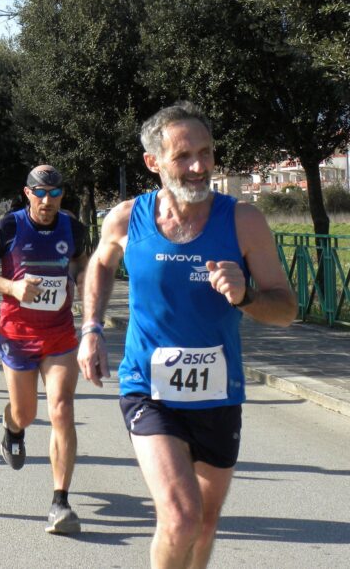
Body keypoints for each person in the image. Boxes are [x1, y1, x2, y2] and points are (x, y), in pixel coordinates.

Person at [78, 102, 296, 568]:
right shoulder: (125, 218)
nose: (199, 167)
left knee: (205, 522)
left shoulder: (243, 221)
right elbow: (99, 264)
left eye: (206, 153)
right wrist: (91, 328)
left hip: (218, 393)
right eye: (183, 156)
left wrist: (246, 297)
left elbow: (286, 310)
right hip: (147, 388)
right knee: (180, 517)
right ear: (153, 162)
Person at [0, 165, 89, 534]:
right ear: (27, 193)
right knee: (25, 412)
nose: (47, 200)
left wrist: (81, 287)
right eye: (40, 193)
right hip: (17, 333)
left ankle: (60, 502)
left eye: (55, 194)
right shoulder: (8, 226)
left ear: (62, 196)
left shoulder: (74, 229)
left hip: (59, 334)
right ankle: (12, 428)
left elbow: (82, 264)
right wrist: (13, 288)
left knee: (62, 410)